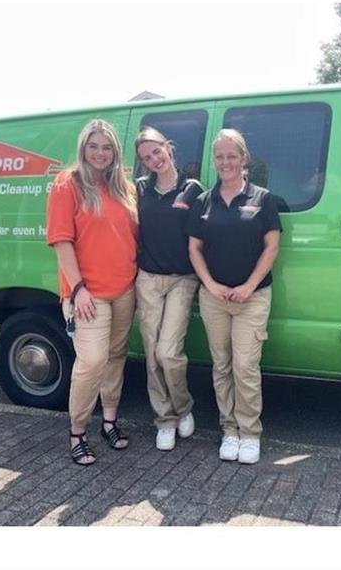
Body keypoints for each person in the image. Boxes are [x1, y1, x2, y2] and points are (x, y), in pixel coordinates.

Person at [46, 119, 138, 466]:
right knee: (92, 361)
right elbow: (61, 240)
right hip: (89, 294)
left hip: (124, 289)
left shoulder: (121, 187)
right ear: (83, 148)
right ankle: (78, 432)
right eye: (94, 146)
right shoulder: (67, 184)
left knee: (115, 357)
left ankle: (110, 421)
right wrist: (78, 288)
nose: (100, 153)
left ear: (115, 151)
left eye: (107, 147)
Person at [187, 129, 282, 464]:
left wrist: (248, 286)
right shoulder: (203, 201)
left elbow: (272, 247)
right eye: (220, 156)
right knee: (222, 365)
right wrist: (210, 285)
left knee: (245, 366)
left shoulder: (263, 198)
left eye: (232, 156)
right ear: (215, 160)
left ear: (244, 159)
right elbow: (194, 249)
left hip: (252, 297)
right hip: (215, 297)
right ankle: (229, 430)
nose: (225, 162)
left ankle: (250, 432)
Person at [134, 127, 203, 451]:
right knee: (151, 354)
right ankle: (165, 419)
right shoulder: (139, 190)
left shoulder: (192, 189)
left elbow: (203, 239)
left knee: (168, 352)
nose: (154, 160)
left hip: (181, 279)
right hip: (148, 278)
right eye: (146, 157)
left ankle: (183, 407)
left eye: (157, 151)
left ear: (169, 148)